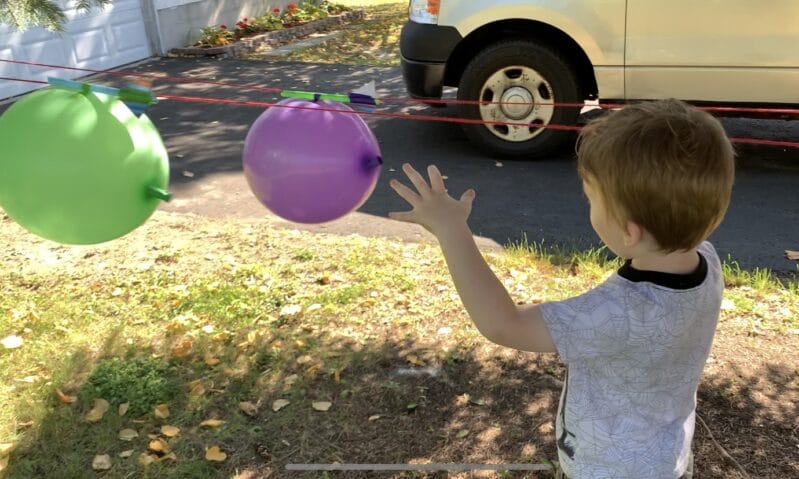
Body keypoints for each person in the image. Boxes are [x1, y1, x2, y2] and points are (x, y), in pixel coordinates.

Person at [388, 99, 736, 479]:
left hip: (606, 469)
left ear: (629, 232)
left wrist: (451, 229)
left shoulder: (613, 313)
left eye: (592, 200)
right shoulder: (709, 261)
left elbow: (503, 324)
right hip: (667, 457)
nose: (589, 207)